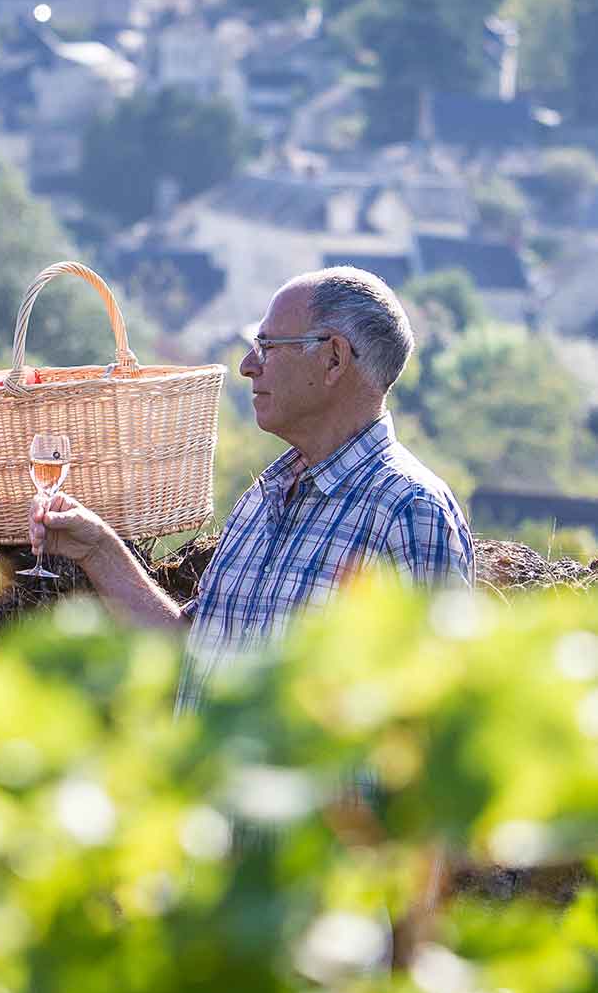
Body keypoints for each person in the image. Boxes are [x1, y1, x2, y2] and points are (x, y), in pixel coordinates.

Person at [29, 267, 474, 707]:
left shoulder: (408, 510)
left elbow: (439, 711)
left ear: (334, 358)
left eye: (267, 346)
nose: (247, 366)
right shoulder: (262, 500)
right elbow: (191, 657)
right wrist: (98, 552)